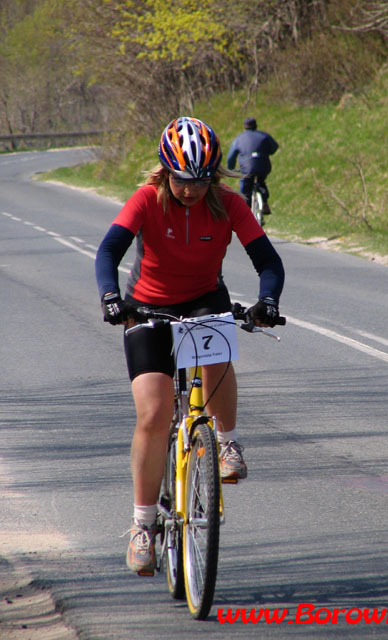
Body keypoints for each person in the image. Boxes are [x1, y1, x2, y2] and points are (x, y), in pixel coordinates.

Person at [95, 116, 285, 576]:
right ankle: (143, 526)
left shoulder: (228, 204)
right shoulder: (146, 199)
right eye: (182, 180)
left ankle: (226, 442)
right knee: (154, 413)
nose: (191, 190)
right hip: (148, 307)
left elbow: (268, 262)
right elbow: (108, 252)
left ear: (213, 175)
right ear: (166, 172)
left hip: (203, 301)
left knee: (218, 348)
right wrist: (111, 299)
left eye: (200, 181)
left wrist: (267, 302)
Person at [227, 117, 279, 215]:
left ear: (244, 127)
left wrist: (231, 168)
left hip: (247, 167)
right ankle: (264, 202)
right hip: (263, 165)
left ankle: (245, 210)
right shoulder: (264, 136)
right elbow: (274, 148)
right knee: (261, 181)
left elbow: (231, 157)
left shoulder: (239, 139)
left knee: (246, 186)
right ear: (256, 126)